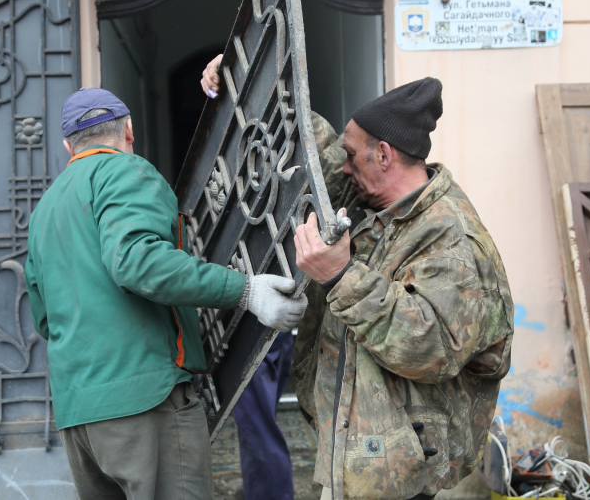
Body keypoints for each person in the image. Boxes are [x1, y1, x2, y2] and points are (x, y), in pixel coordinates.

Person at [203, 60, 514, 500]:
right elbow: (312, 147)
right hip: (361, 457)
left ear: (384, 154)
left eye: (353, 156)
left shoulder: (453, 241)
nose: (344, 168)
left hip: (406, 475)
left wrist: (341, 275)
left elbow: (428, 346)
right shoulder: (371, 196)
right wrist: (240, 76)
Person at [24, 87, 307, 500]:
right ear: (130, 131)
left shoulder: (45, 208)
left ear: (68, 146)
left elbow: (45, 319)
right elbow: (138, 263)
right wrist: (247, 291)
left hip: (78, 415)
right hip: (145, 404)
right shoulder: (125, 171)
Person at [201, 54, 298, 500]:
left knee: (256, 423)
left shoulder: (272, 152)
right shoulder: (256, 152)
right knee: (259, 418)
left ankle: (270, 494)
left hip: (261, 304)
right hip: (271, 296)